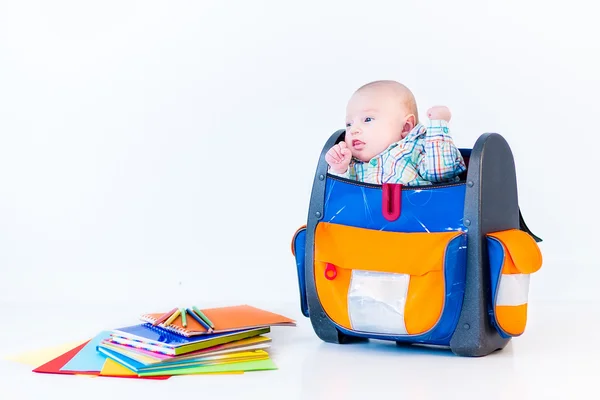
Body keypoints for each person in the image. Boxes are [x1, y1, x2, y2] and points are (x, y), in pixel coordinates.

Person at [325, 80, 466, 186]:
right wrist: (340, 170)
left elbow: (441, 172)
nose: (353, 130)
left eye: (367, 119)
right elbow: (342, 203)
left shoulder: (415, 149)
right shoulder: (353, 162)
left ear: (405, 127)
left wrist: (438, 124)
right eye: (349, 124)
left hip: (419, 222)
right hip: (365, 225)